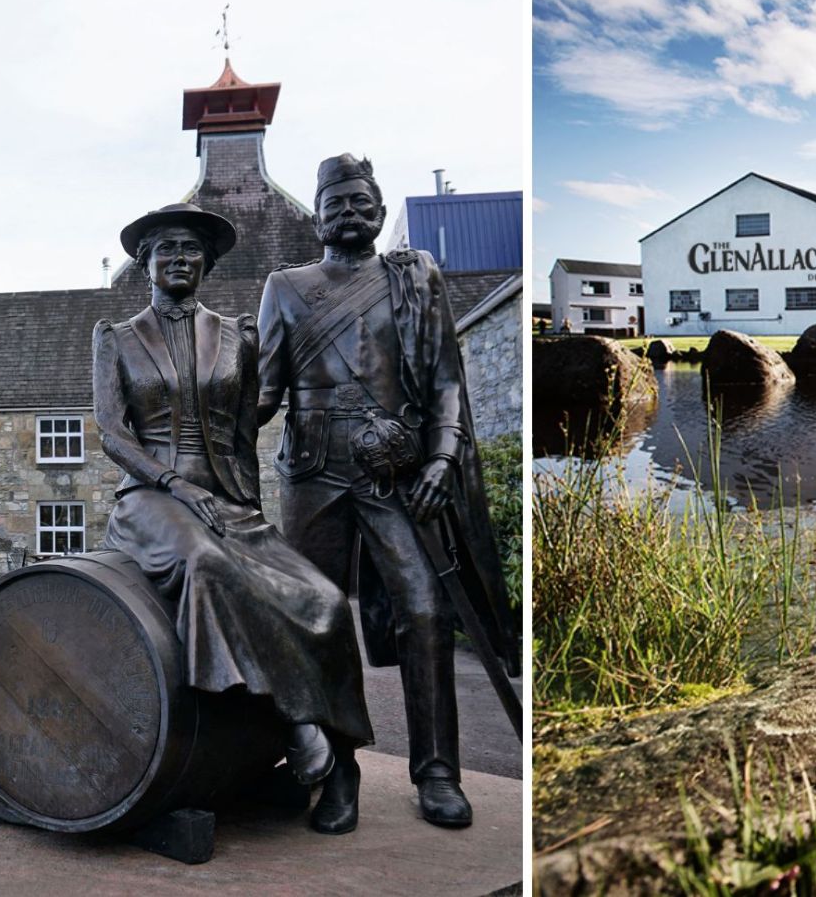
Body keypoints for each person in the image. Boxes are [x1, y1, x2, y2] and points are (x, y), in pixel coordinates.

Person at [92, 202, 374, 835]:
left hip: (227, 497)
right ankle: (295, 724)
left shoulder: (238, 336)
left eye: (192, 250)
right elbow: (112, 433)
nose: (180, 259)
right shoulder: (115, 337)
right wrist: (169, 482)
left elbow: (253, 420)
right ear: (146, 264)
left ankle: (345, 766)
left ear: (209, 265)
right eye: (166, 250)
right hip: (151, 497)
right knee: (205, 563)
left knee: (323, 600)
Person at [257, 154, 513, 830]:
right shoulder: (284, 286)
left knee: (426, 609)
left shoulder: (414, 277)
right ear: (317, 214)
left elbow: (446, 382)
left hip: (395, 469)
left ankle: (436, 771)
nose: (348, 210)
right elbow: (261, 392)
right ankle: (339, 772)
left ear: (377, 207)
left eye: (360, 199)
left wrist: (442, 456)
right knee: (316, 616)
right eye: (335, 200)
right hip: (314, 470)